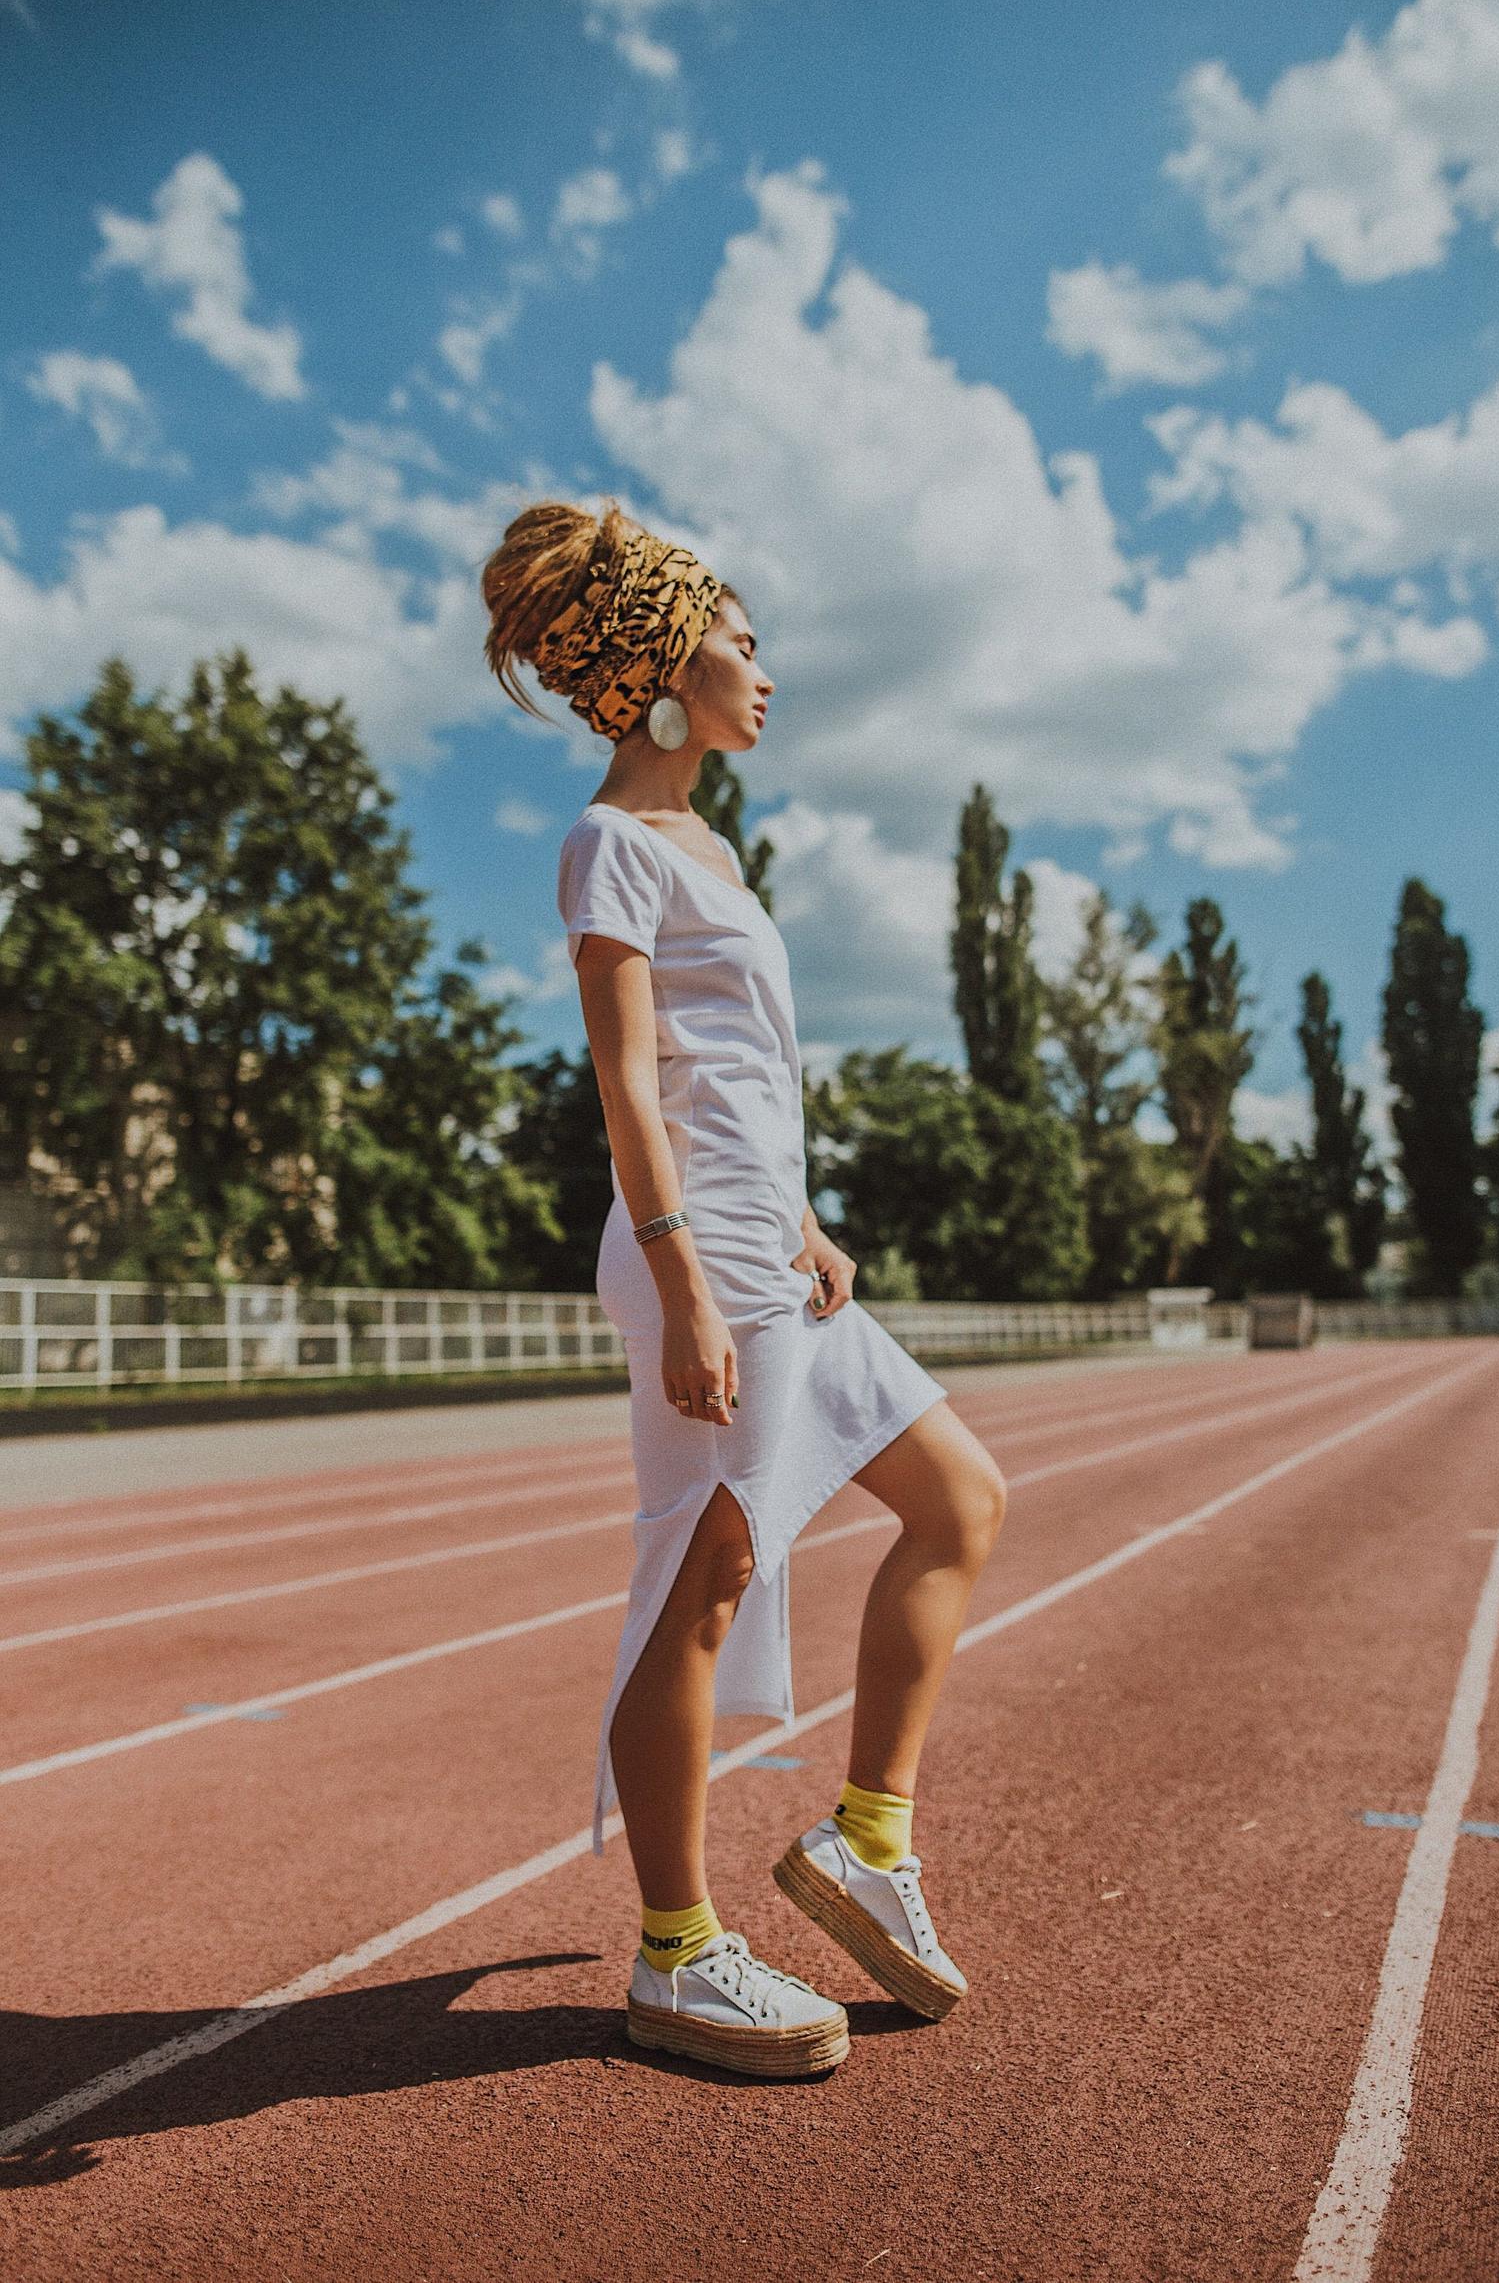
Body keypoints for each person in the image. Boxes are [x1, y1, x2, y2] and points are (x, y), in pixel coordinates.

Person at [480, 497, 1008, 2078]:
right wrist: (689, 1275)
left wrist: (804, 1214)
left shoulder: (709, 841)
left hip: (765, 1245)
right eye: (741, 639)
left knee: (959, 1500)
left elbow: (738, 1075)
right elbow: (634, 1089)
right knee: (705, 1576)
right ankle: (675, 1953)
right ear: (660, 660)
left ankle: (864, 1840)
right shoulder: (612, 843)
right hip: (692, 1256)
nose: (763, 669)